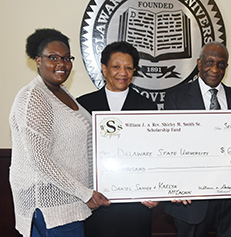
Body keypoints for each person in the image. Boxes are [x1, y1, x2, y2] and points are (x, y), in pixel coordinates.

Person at [9, 28, 110, 237]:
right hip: (51, 206)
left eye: (66, 58)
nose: (62, 64)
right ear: (38, 60)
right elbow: (39, 158)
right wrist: (85, 194)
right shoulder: (34, 97)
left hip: (69, 202)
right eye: (53, 57)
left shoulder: (61, 93)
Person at [163, 42, 231, 237]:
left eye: (221, 64)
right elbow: (169, 146)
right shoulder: (176, 98)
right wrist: (174, 185)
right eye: (210, 62)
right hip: (192, 199)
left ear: (226, 67)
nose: (215, 69)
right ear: (199, 63)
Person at [77, 41, 158, 236]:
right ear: (104, 69)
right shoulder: (83, 105)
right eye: (116, 67)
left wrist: (154, 190)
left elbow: (154, 155)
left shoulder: (148, 107)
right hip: (96, 205)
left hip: (136, 206)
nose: (123, 72)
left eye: (129, 68)